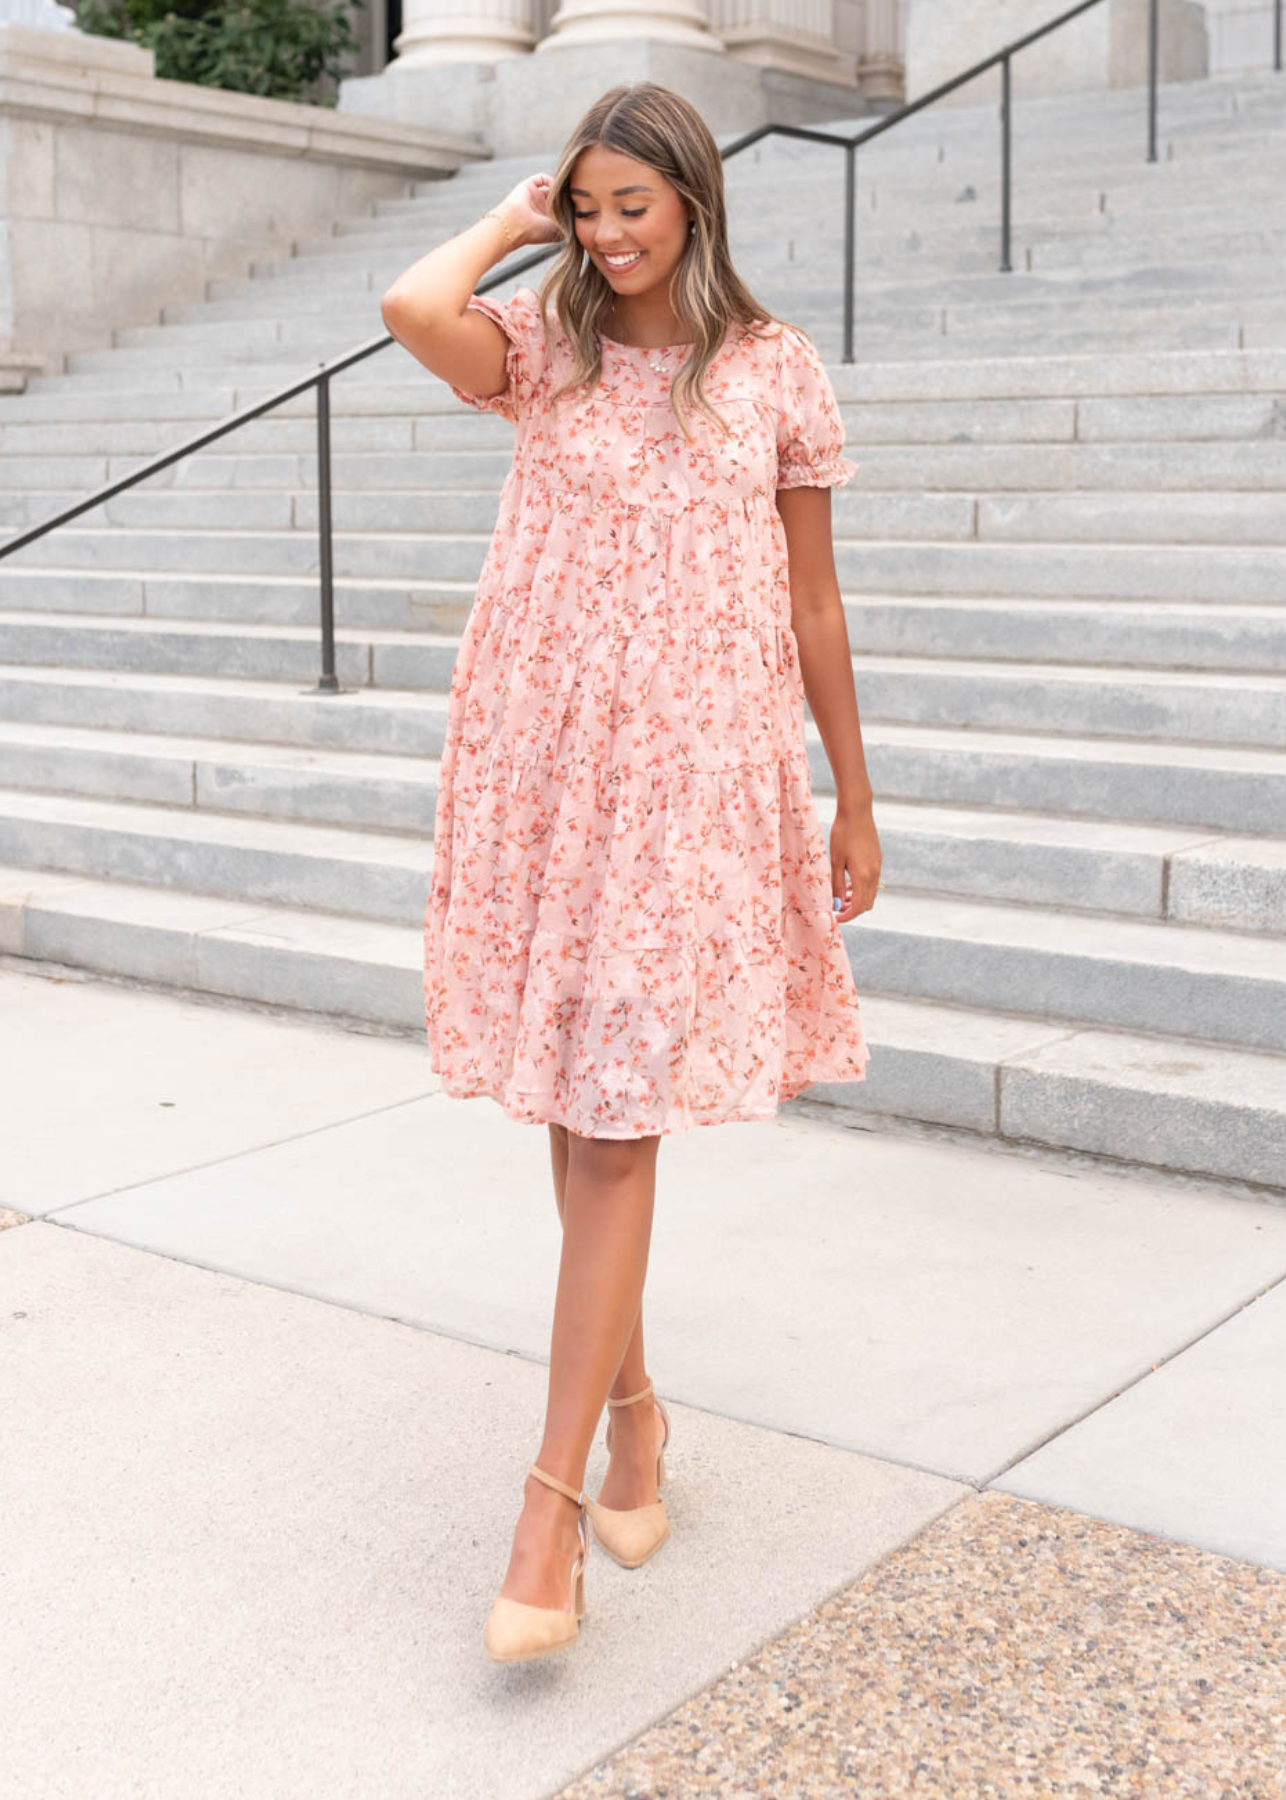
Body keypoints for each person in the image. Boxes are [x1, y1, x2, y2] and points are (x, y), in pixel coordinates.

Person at [380, 80, 882, 1665]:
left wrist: (850, 799)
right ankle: (638, 1421)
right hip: (544, 763)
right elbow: (408, 305)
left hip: (690, 778)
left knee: (611, 1119)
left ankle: (550, 1505)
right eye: (584, 207)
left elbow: (811, 605)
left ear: (693, 205)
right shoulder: (542, 347)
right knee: (578, 1104)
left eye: (627, 208)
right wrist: (515, 220)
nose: (603, 233)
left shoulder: (771, 372)